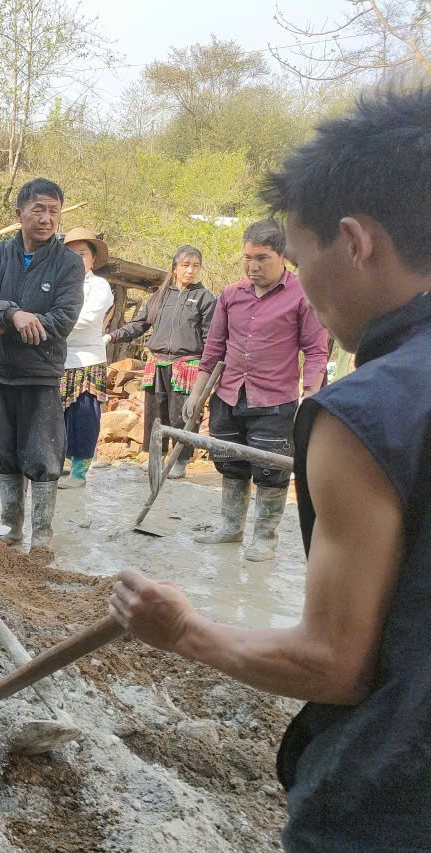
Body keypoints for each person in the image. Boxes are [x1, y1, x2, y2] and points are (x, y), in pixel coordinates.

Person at [109, 85, 431, 851]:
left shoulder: (371, 411)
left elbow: (335, 662)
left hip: (395, 802)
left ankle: (251, 535)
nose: (309, 290)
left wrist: (184, 629)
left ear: (354, 241)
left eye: (299, 252)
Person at [185, 219, 328, 561]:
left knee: (271, 470)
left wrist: (310, 398)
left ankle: (265, 538)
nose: (252, 266)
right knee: (230, 462)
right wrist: (195, 394)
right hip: (229, 395)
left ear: (283, 256)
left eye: (262, 258)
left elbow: (316, 351)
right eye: (247, 257)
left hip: (275, 400)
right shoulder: (231, 296)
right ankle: (230, 527)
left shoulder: (302, 296)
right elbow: (213, 349)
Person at [0, 178, 84, 549]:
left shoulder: (68, 264)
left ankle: (43, 536)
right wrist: (14, 314)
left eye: (53, 211)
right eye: (39, 210)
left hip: (41, 374)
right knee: (5, 453)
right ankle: (11, 528)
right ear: (19, 214)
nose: (47, 219)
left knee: (44, 454)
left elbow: (62, 320)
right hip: (2, 372)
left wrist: (1, 322)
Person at [104, 245, 215, 479]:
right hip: (157, 364)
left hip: (187, 365)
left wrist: (208, 369)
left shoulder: (204, 298)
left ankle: (180, 461)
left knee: (182, 414)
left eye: (195, 266)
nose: (190, 271)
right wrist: (113, 335)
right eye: (185, 265)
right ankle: (156, 455)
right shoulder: (160, 296)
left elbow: (210, 338)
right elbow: (139, 324)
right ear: (175, 267)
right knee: (155, 413)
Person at [57, 227, 115, 489]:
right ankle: (58, 465)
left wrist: (48, 324)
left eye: (82, 254)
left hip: (87, 360)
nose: (76, 259)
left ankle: (79, 473)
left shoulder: (100, 286)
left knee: (84, 416)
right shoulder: (56, 284)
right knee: (56, 417)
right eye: (70, 254)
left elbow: (87, 319)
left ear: (92, 259)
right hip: (58, 359)